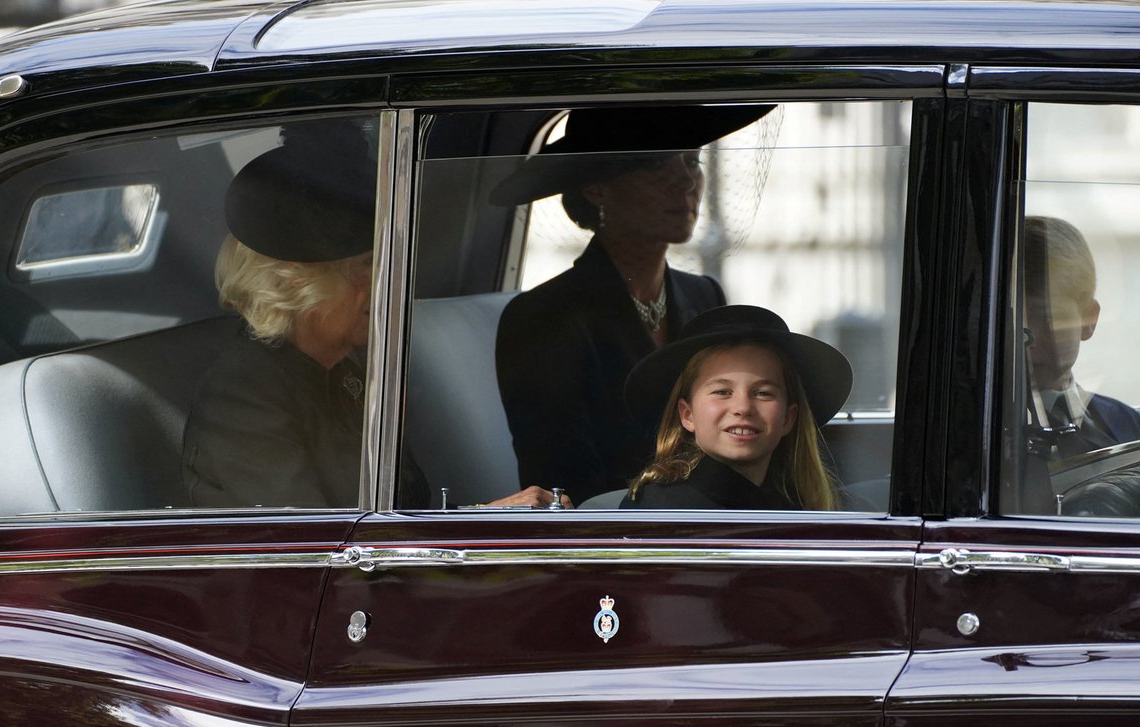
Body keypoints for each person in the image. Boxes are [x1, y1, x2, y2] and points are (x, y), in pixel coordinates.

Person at [184, 124, 570, 509]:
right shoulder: (241, 398)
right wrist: (486, 518)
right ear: (298, 284)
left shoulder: (352, 370)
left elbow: (396, 518)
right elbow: (314, 549)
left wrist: (493, 520)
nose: (385, 284)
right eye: (367, 266)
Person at [492, 104, 776, 503]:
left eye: (692, 161)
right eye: (657, 165)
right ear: (598, 187)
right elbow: (563, 484)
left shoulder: (703, 295)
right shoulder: (543, 316)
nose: (685, 181)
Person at [620, 305, 852, 510]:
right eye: (722, 392)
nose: (743, 408)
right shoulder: (657, 510)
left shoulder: (806, 504)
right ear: (687, 415)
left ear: (788, 419)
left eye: (763, 393)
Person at [1024, 215, 1140, 459]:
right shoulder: (963, 430)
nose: (1028, 340)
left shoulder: (1129, 427)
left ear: (1088, 319)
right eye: (1011, 320)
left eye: (1048, 318)